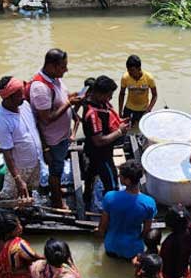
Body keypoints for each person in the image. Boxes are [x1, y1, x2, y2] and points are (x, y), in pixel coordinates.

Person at [27, 48, 81, 210]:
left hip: (61, 136)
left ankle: (55, 189)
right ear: (51, 66)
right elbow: (47, 118)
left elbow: (61, 99)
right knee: (55, 170)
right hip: (52, 139)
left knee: (57, 167)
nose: (66, 69)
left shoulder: (54, 79)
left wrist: (73, 97)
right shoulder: (41, 88)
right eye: (63, 66)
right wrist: (69, 104)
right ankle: (57, 201)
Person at [0, 76, 43, 200]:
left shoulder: (24, 105)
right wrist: (18, 179)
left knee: (28, 190)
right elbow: (7, 154)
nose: (24, 97)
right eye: (19, 95)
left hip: (36, 161)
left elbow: (35, 128)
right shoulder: (0, 120)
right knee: (8, 195)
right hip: (20, 167)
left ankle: (25, 208)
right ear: (8, 98)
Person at [82, 75, 131, 208]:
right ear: (98, 93)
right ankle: (112, 211)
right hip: (101, 153)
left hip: (92, 150)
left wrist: (119, 123)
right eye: (108, 95)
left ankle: (86, 196)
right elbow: (99, 141)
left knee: (90, 174)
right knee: (112, 184)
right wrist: (119, 132)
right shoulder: (92, 114)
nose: (110, 99)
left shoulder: (98, 102)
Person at [97, 160, 157, 261]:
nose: (118, 177)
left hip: (112, 245)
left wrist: (99, 234)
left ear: (127, 180)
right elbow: (146, 231)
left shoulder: (110, 197)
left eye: (120, 175)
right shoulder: (149, 203)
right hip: (133, 249)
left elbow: (103, 226)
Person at [159, 194, 191, 278]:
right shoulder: (190, 230)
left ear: (169, 225)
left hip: (169, 277)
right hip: (184, 273)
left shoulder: (168, 242)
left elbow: (161, 264)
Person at [118, 55, 158, 124]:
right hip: (129, 108)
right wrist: (120, 111)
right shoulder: (125, 77)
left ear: (139, 68)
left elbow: (154, 95)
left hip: (144, 109)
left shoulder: (149, 78)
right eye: (128, 70)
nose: (129, 73)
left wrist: (148, 110)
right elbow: (122, 94)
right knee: (125, 130)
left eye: (132, 70)